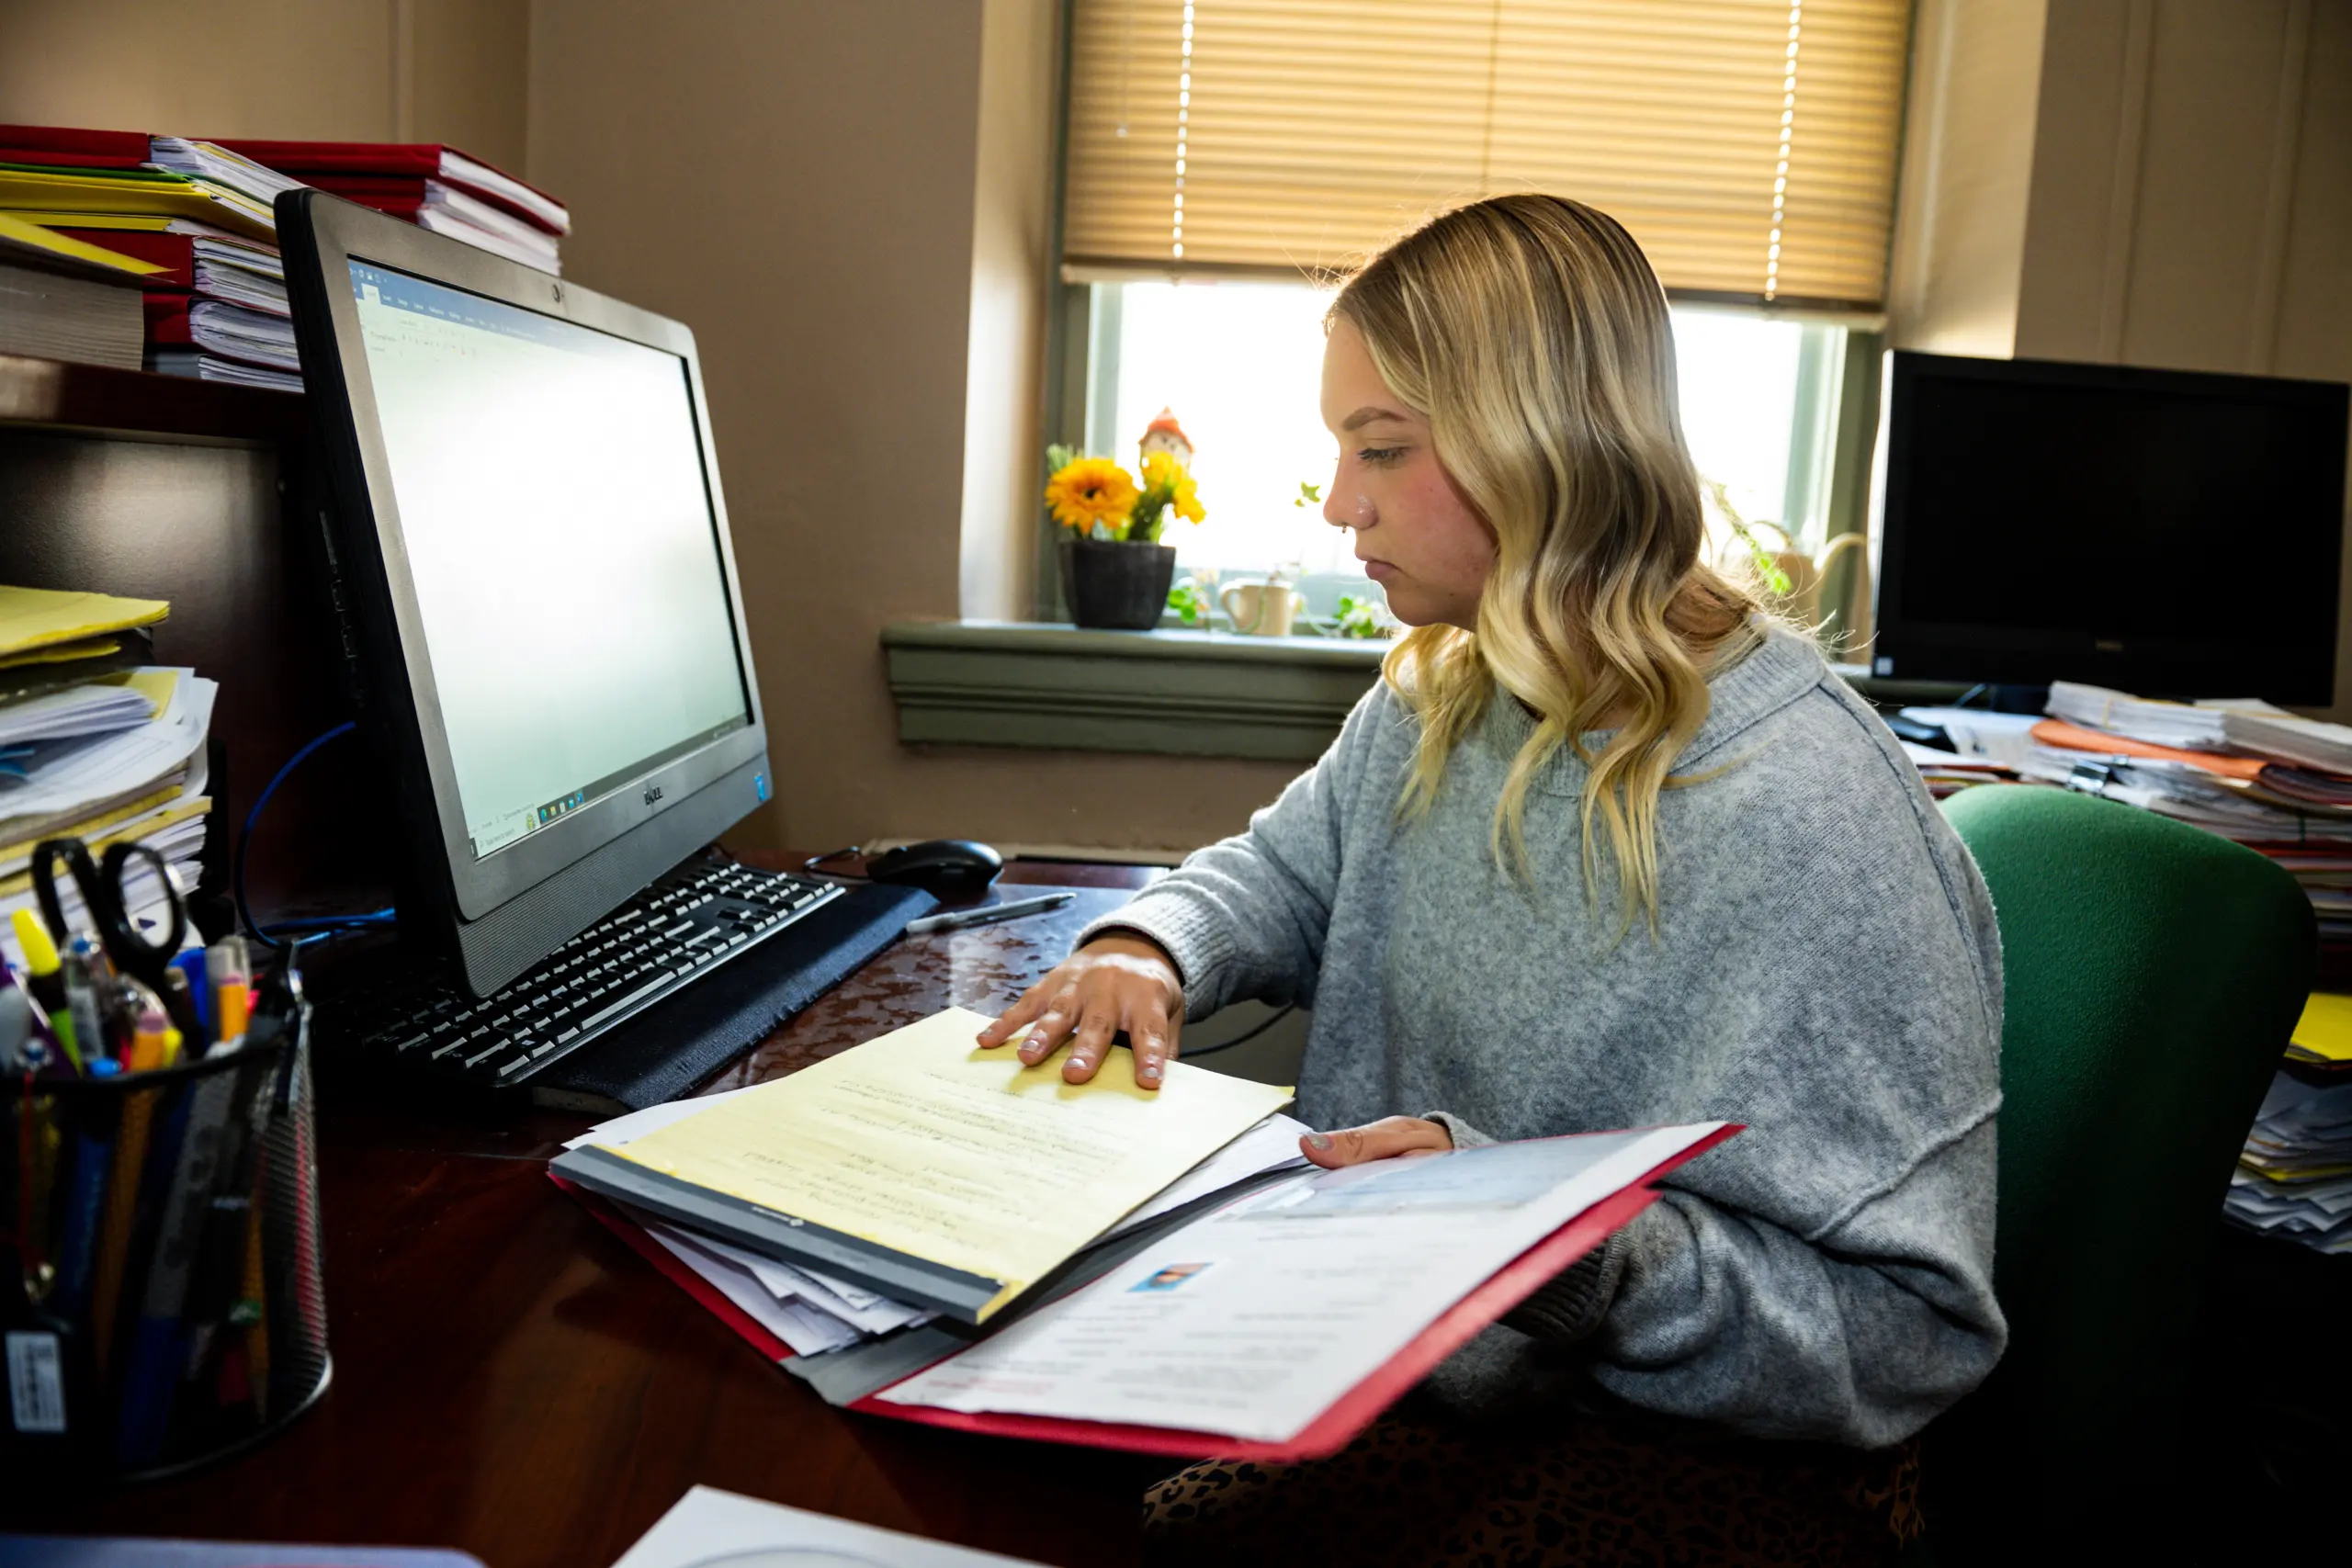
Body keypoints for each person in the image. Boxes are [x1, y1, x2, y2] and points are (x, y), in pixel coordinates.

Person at [979, 194, 2005, 1565]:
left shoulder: (1811, 815)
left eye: (1381, 450)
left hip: (1688, 1468)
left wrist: (1562, 1249)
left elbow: (1900, 1338)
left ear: (1547, 452)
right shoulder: (1446, 691)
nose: (1341, 504)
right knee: (966, 1431)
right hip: (1388, 1375)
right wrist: (1148, 946)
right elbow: (1279, 873)